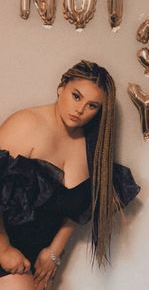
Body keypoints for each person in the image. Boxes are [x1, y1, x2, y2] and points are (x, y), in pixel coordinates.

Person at [0, 60, 141, 290]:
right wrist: (3, 248)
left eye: (92, 105)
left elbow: (80, 205)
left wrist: (55, 251)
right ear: (61, 87)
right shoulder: (26, 124)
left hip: (36, 261)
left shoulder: (91, 146)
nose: (80, 110)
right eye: (77, 96)